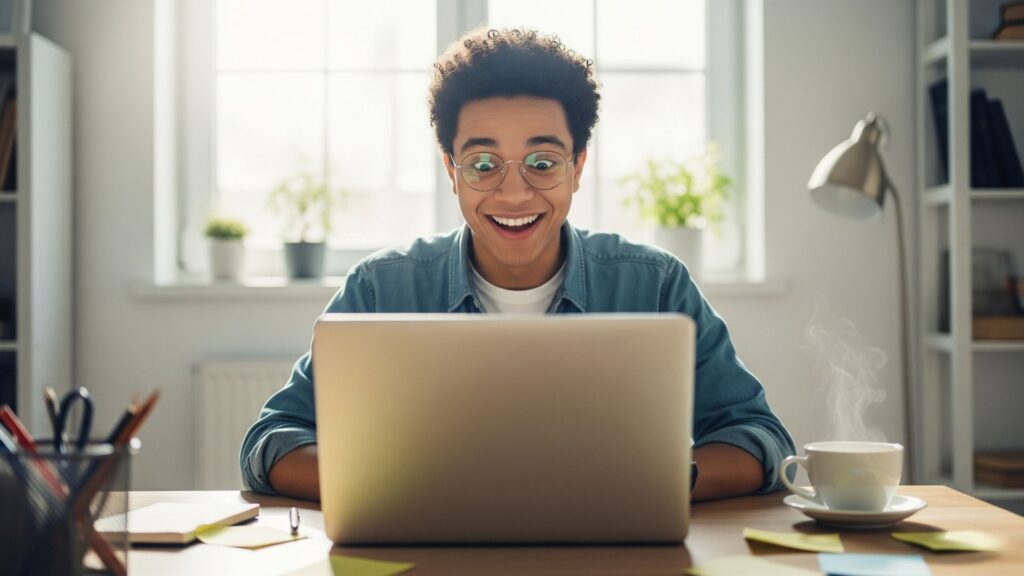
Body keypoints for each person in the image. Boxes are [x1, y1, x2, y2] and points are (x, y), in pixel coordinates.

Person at [241, 28, 794, 502]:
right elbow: (273, 442)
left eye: (542, 162)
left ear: (578, 167)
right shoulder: (382, 288)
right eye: (483, 163)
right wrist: (408, 488)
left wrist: (649, 484)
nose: (512, 194)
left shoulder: (654, 285)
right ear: (450, 170)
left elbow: (759, 439)